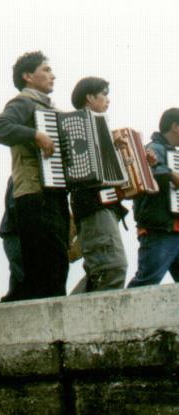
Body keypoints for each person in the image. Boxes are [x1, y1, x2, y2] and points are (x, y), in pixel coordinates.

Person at [0, 51, 69, 300]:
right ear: (28, 76)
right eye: (46, 69)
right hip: (33, 193)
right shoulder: (23, 102)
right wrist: (35, 135)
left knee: (57, 263)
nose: (52, 75)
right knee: (42, 267)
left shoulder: (51, 109)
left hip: (54, 192)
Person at [66, 77, 134, 294]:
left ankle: (72, 318)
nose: (108, 100)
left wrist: (123, 155)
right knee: (111, 267)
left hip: (103, 208)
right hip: (94, 207)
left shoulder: (100, 128)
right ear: (89, 97)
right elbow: (80, 170)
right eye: (103, 94)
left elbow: (115, 176)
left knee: (104, 269)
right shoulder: (76, 126)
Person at [127, 108, 179, 287]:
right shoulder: (153, 149)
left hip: (172, 229)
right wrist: (170, 173)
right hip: (159, 230)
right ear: (175, 127)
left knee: (147, 282)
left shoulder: (169, 151)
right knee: (145, 283)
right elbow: (151, 177)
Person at [0, 177, 25, 302]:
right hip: (12, 231)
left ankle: (14, 294)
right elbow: (13, 206)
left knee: (17, 269)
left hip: (12, 231)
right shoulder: (17, 177)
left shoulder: (16, 177)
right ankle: (14, 295)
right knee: (19, 269)